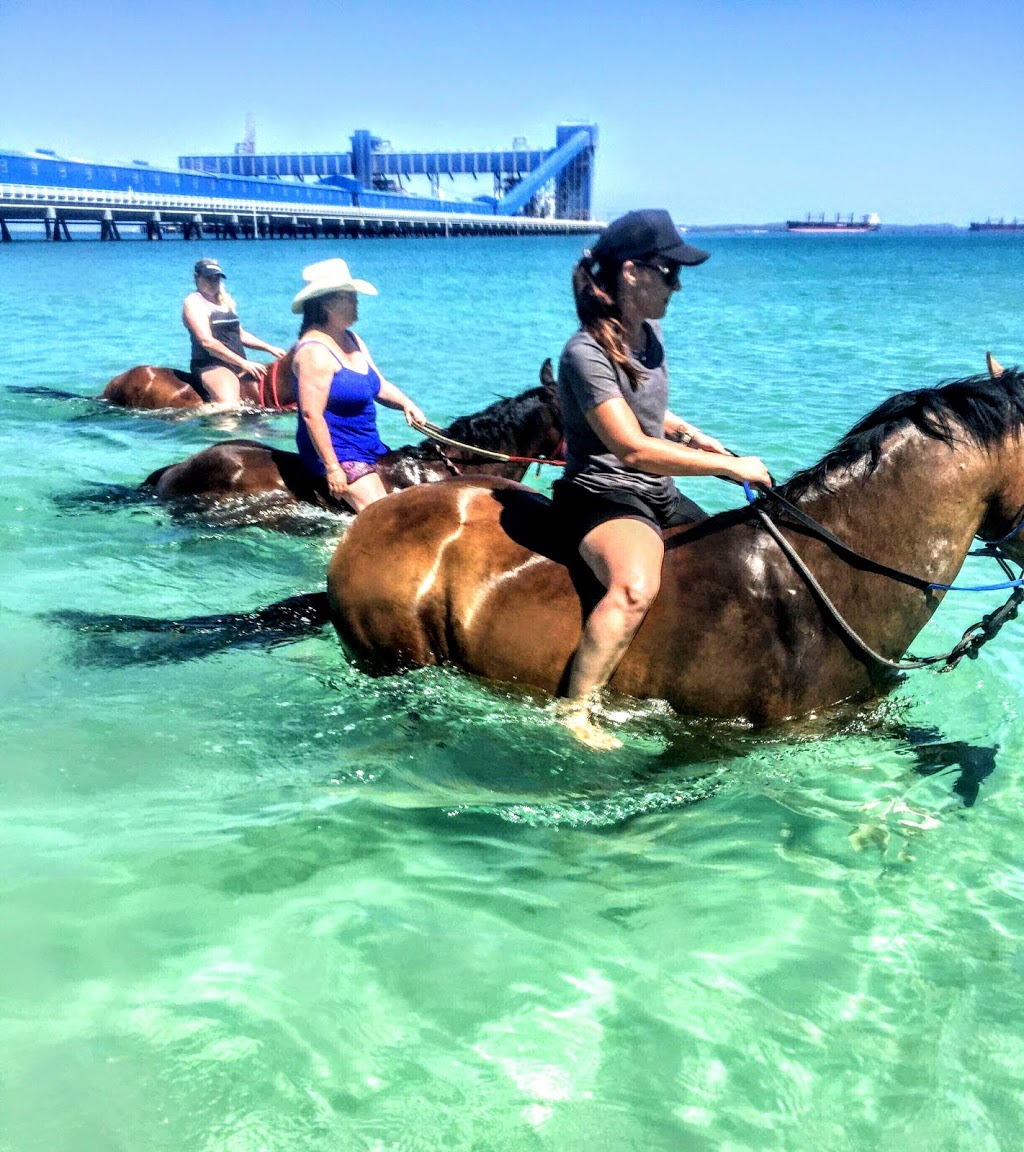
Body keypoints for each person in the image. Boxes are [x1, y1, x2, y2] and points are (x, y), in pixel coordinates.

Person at [552, 209, 773, 750]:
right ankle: (573, 709)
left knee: (743, 554)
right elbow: (629, 447)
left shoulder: (647, 336)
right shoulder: (585, 352)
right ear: (631, 272)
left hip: (656, 491)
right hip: (602, 492)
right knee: (635, 587)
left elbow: (644, 412)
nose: (677, 285)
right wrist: (729, 467)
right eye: (669, 272)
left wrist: (692, 434)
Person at [290, 257, 425, 513]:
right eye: (350, 297)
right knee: (383, 518)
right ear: (328, 304)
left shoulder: (351, 338)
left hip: (369, 445)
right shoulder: (314, 352)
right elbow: (311, 415)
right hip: (339, 453)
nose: (356, 302)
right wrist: (333, 467)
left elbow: (378, 385)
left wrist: (407, 404)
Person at [182, 258, 287, 406]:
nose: (213, 282)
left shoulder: (224, 302)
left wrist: (270, 348)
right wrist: (243, 363)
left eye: (216, 278)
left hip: (237, 363)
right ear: (196, 277)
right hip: (212, 365)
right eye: (208, 278)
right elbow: (207, 342)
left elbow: (241, 335)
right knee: (231, 408)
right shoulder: (194, 302)